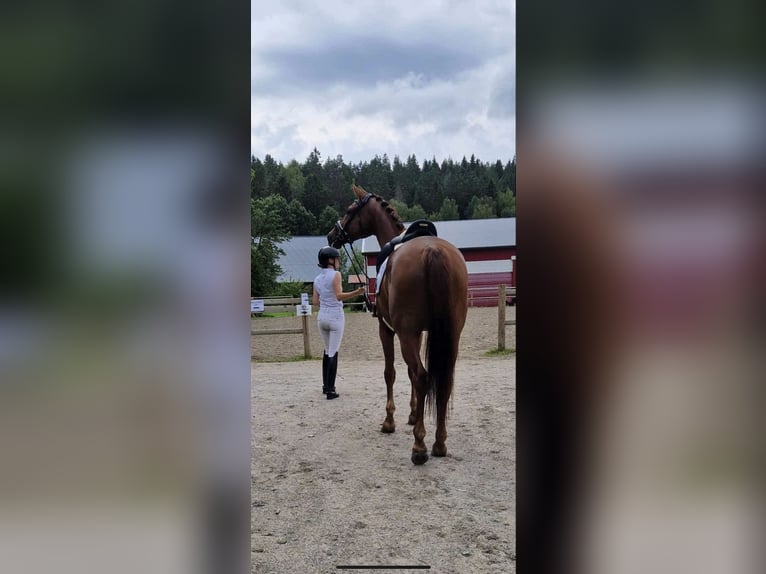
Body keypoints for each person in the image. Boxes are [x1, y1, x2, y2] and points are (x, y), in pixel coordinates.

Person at [312, 246, 365, 399]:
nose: (339, 261)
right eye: (337, 258)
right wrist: (357, 292)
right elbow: (339, 296)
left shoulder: (317, 279)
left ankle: (325, 386)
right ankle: (331, 390)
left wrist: (326, 302)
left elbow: (315, 301)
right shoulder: (336, 274)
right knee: (333, 352)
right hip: (335, 317)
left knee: (327, 350)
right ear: (331, 260)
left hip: (322, 318)